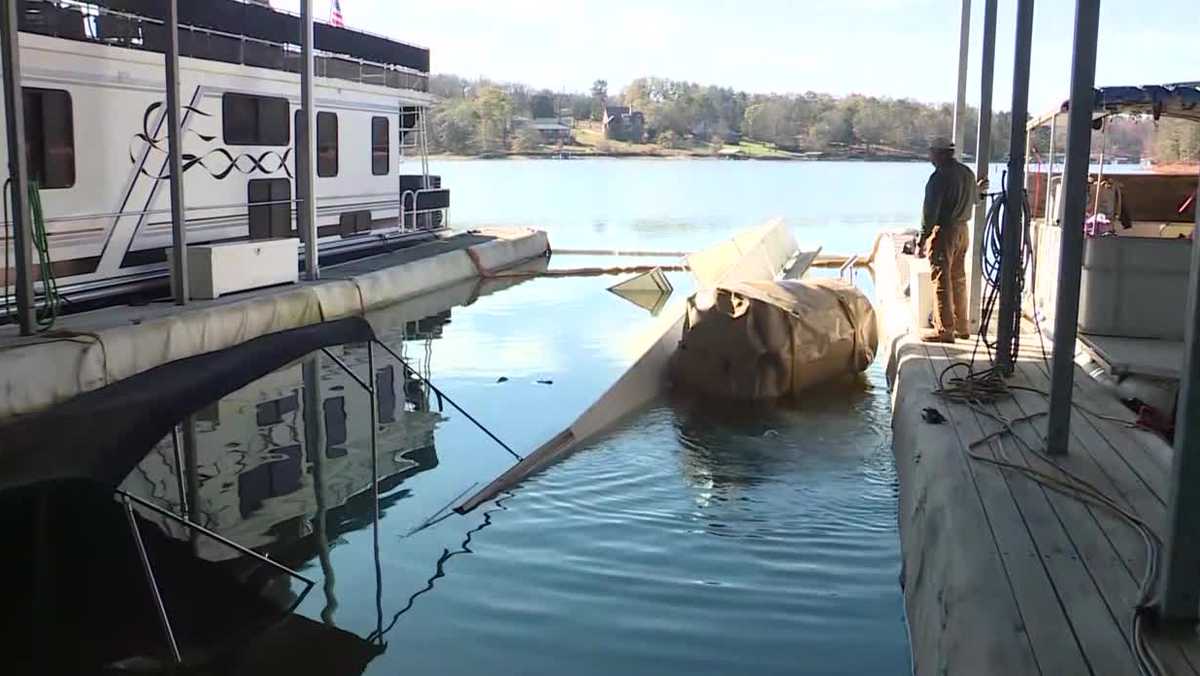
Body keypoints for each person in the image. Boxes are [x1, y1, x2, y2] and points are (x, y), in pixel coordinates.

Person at [917, 136, 985, 342]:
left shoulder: (938, 178)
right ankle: (962, 327)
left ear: (939, 153)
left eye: (931, 152)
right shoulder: (966, 173)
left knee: (941, 279)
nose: (930, 156)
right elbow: (976, 199)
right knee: (958, 277)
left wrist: (922, 238)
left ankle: (945, 330)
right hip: (964, 231)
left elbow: (929, 213)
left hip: (945, 231)